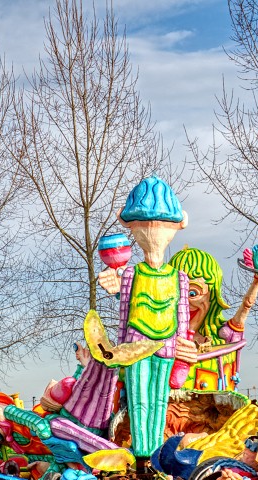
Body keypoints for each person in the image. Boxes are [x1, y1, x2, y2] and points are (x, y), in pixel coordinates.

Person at [96, 176, 194, 458]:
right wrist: (120, 350)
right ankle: (141, 454)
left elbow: (182, 316)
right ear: (131, 227)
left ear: (178, 225)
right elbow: (124, 314)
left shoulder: (180, 277)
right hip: (136, 346)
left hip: (166, 345)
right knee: (139, 400)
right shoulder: (131, 273)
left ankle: (155, 455)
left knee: (159, 401)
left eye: (163, 223)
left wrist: (183, 348)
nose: (154, 230)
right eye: (144, 224)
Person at [167, 247, 258, 391]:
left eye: (192, 293)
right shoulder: (161, 339)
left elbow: (246, 306)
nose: (184, 303)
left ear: (212, 297)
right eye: (177, 293)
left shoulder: (222, 335)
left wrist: (257, 281)